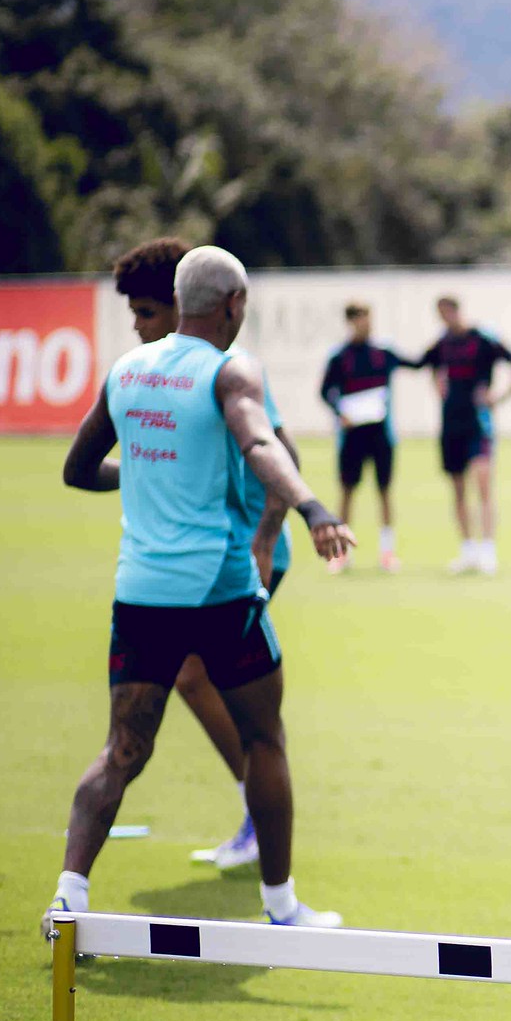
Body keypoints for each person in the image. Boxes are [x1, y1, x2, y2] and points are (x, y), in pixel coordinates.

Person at [51, 245, 353, 931]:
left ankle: (68, 895)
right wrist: (313, 509)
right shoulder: (230, 370)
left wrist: (146, 475)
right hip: (219, 589)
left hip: (142, 592)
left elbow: (77, 469)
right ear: (235, 305)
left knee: (120, 750)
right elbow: (262, 446)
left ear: (177, 303)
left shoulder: (126, 370)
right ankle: (281, 906)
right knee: (265, 738)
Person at [108, 237, 300, 872]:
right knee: (194, 677)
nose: (137, 326)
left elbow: (284, 458)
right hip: (207, 560)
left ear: (178, 307)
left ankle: (257, 808)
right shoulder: (167, 370)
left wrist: (266, 542)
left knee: (198, 679)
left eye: (145, 312)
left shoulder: (226, 368)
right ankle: (257, 806)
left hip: (240, 552)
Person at [413, 296, 511, 574]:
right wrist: (438, 388)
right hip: (451, 424)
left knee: (483, 484)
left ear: (458, 311)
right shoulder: (442, 343)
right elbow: (428, 366)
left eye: (448, 312)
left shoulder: (482, 339)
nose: (446, 318)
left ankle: (488, 550)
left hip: (478, 423)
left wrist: (499, 397)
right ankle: (468, 550)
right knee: (458, 490)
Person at [319, 302, 413, 573]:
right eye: (360, 318)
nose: (366, 323)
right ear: (351, 321)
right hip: (352, 435)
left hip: (381, 434)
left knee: (384, 491)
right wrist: (340, 411)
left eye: (368, 317)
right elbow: (326, 391)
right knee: (347, 491)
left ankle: (387, 552)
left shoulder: (383, 352)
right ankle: (341, 554)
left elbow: (416, 362)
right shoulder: (341, 356)